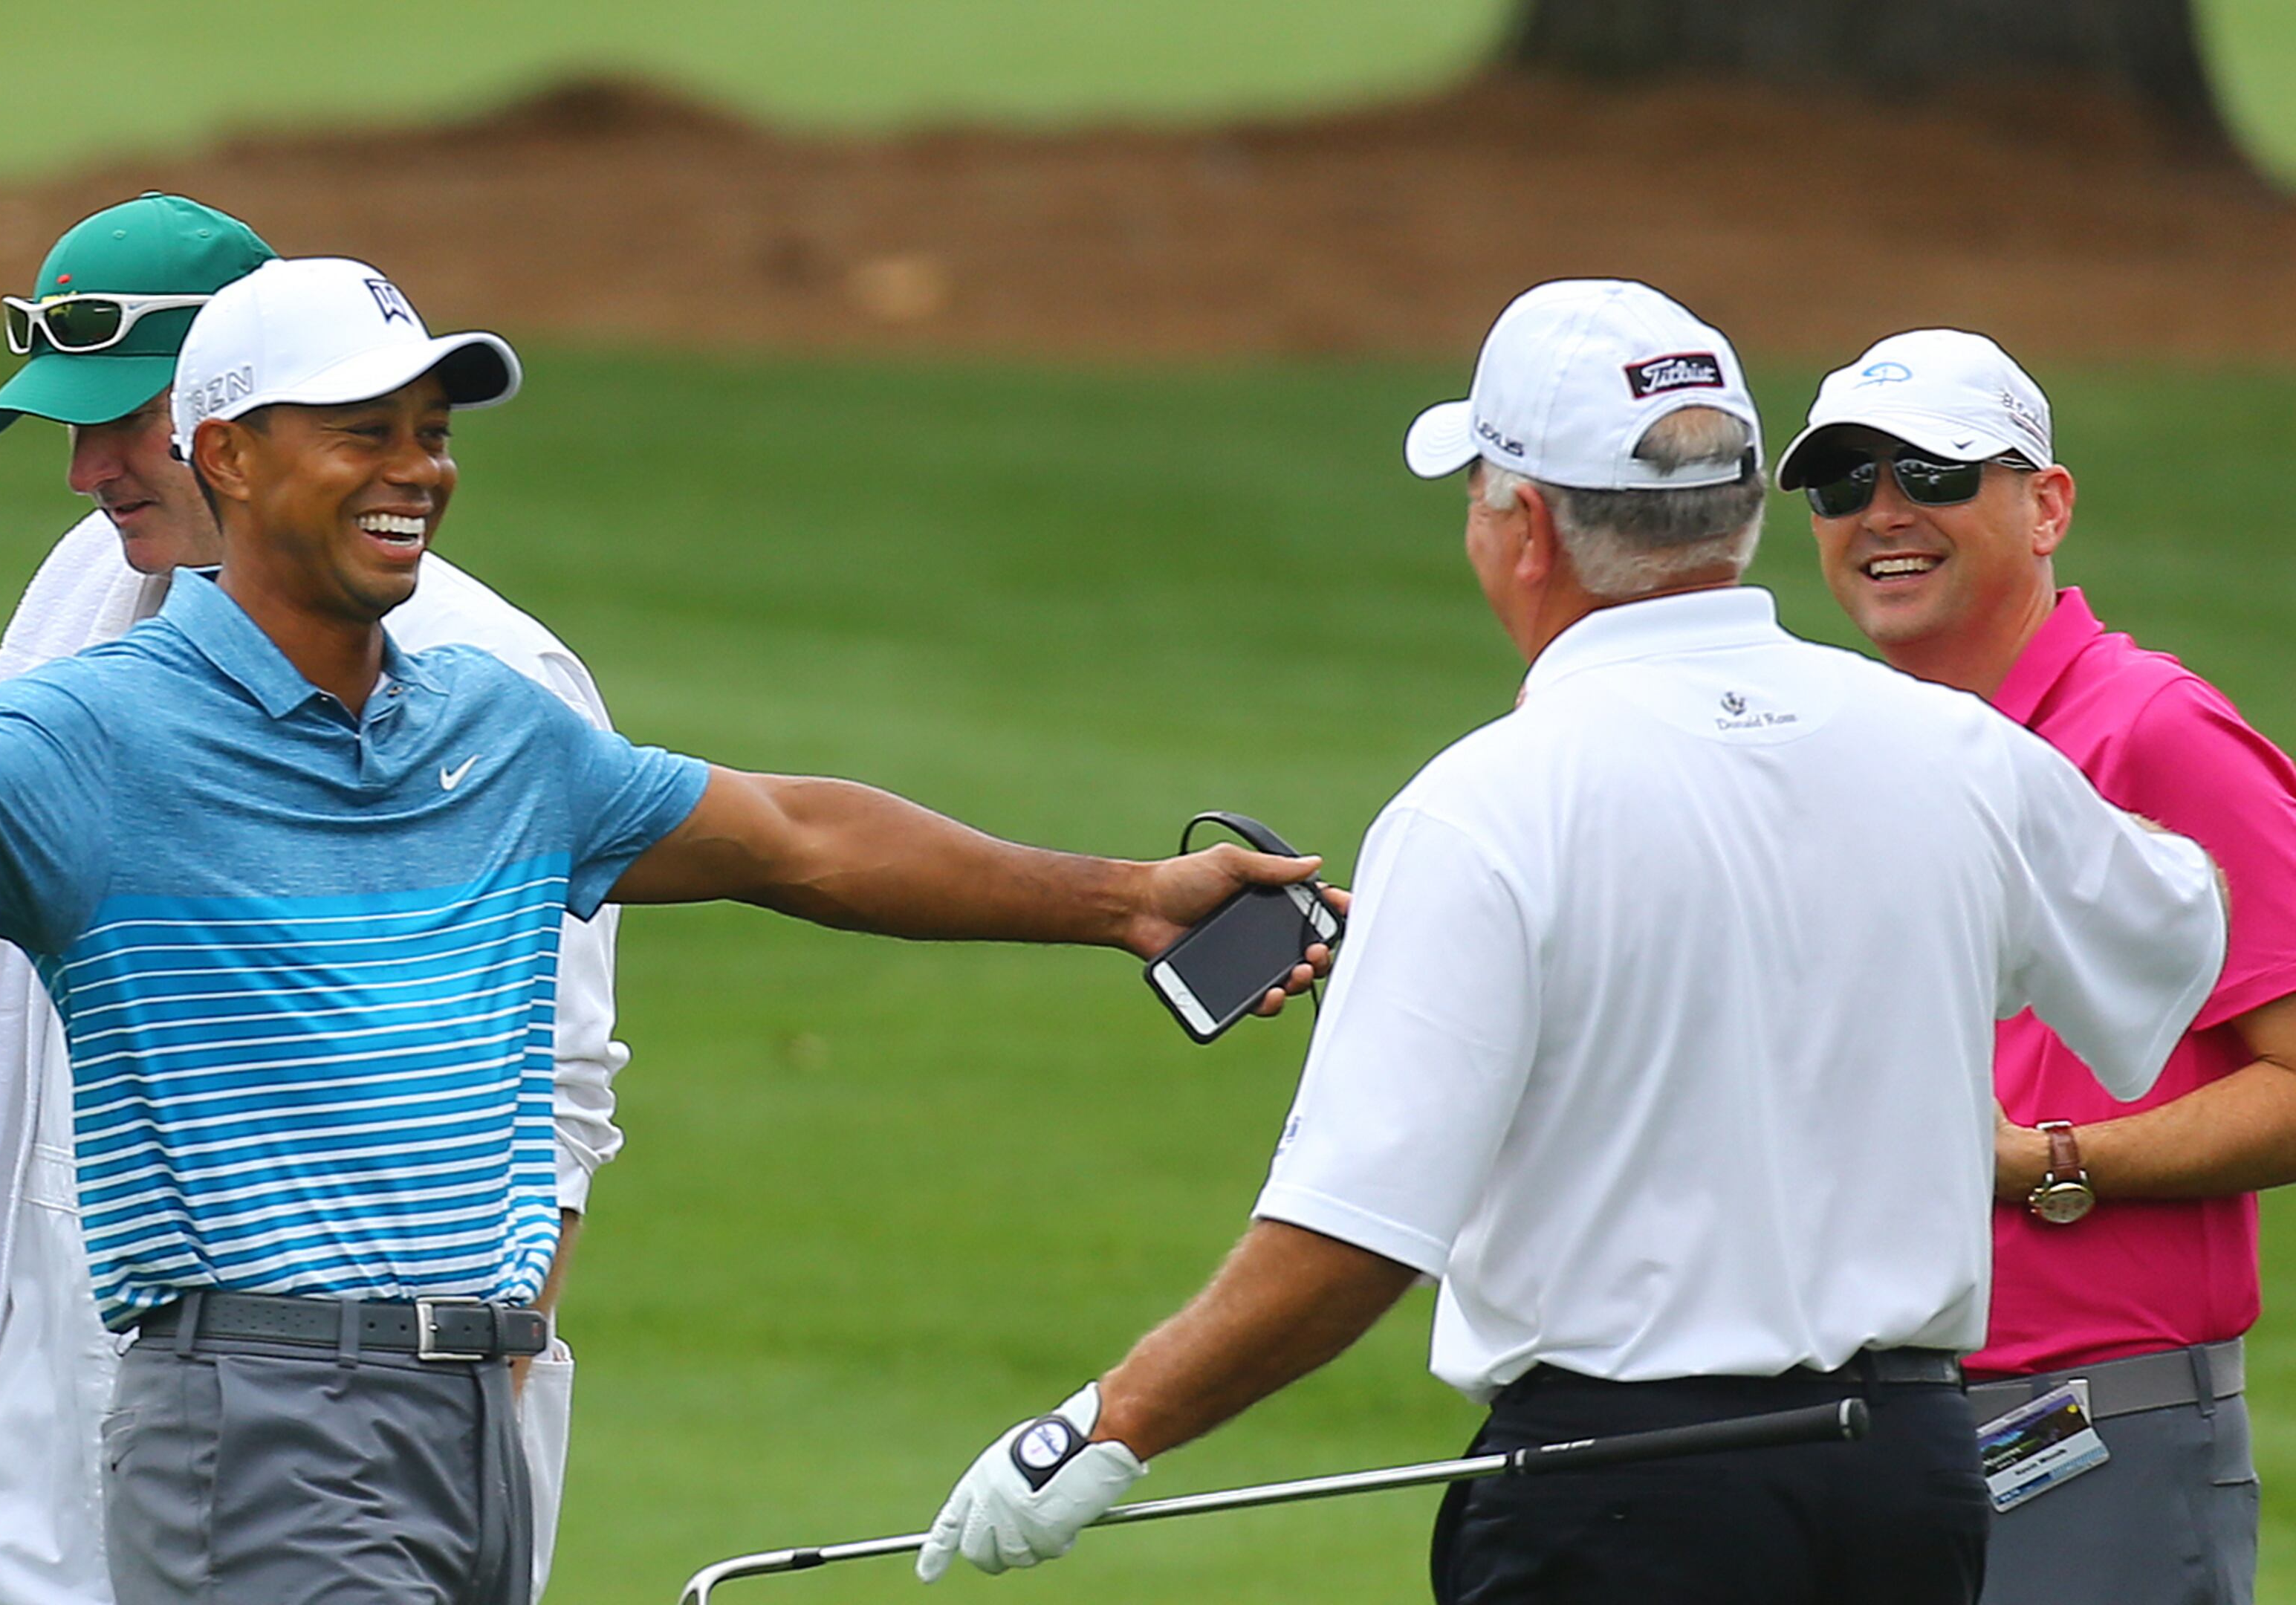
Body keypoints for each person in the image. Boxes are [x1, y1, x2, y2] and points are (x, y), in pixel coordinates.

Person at [0, 254, 1339, 1605]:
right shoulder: (105, 734)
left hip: (468, 1418)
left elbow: (800, 841)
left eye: (432, 432)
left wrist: (1127, 899)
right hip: (259, 1418)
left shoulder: (495, 723)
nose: (419, 470)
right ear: (231, 457)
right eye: (365, 431)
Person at [913, 280, 2231, 1605]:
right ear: (1742, 513)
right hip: (1906, 1482)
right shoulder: (1959, 751)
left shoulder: (1486, 807)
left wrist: (1102, 1430)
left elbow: (1352, 1239)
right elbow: (2173, 935)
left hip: (1621, 1501)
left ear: (1525, 527)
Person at [0, 195, 635, 1605]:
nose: (86, 472)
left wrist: (461, 1411)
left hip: (354, 1406)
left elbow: (560, 1091)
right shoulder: (89, 586)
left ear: (235, 421)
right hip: (54, 1343)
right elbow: (4, 1010)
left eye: (121, 423)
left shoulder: (486, 676)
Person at [1777, 329, 2296, 1605]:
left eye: (1936, 476)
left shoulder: (2154, 730)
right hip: (1870, 1434)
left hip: (2091, 1439)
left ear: (2047, 505)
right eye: (1845, 487)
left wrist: (2050, 1162)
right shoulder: (1860, 749)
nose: (1884, 516)